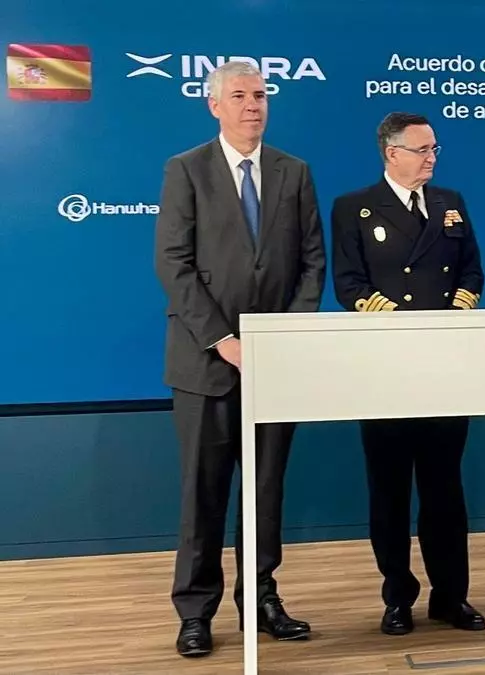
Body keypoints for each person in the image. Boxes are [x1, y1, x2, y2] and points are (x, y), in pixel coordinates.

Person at [153, 61, 325, 657]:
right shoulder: (185, 169)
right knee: (203, 494)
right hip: (205, 363)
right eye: (239, 96)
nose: (253, 104)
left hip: (274, 365)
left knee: (265, 491)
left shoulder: (294, 172)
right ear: (214, 106)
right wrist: (223, 341)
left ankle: (261, 598)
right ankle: (195, 611)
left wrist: (282, 337)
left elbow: (312, 263)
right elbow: (173, 265)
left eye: (260, 94)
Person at [330, 112, 485, 636]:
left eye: (434, 149)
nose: (431, 158)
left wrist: (453, 315)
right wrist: (402, 327)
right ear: (391, 153)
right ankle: (398, 596)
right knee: (390, 491)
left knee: (445, 490)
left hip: (444, 365)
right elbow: (349, 285)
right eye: (422, 149)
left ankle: (451, 596)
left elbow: (472, 270)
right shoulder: (354, 207)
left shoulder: (449, 203)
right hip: (386, 368)